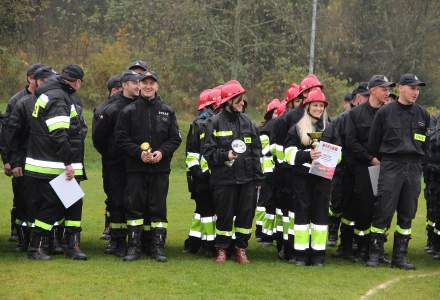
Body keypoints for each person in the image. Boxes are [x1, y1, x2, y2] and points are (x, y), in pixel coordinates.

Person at [115, 71, 182, 262]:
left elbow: (175, 138)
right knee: (134, 208)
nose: (148, 86)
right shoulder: (128, 111)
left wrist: (161, 152)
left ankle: (157, 247)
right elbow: (121, 138)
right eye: (144, 83)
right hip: (136, 168)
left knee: (158, 209)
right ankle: (134, 247)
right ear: (139, 86)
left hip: (160, 169)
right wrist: (139, 153)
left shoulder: (167, 111)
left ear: (157, 86)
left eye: (152, 83)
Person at [24, 64, 87, 260]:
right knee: (52, 205)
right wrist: (68, 162)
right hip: (53, 163)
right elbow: (59, 133)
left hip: (47, 160)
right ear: (76, 82)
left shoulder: (52, 93)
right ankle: (37, 247)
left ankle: (69, 245)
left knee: (72, 202)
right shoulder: (59, 98)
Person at [367, 74, 429, 270]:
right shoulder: (385, 113)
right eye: (412, 88)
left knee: (407, 212)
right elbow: (373, 143)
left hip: (413, 167)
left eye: (418, 89)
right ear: (400, 88)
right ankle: (375, 253)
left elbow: (425, 144)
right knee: (383, 209)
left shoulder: (422, 114)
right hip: (391, 165)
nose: (415, 92)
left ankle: (400, 256)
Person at [203, 80, 263, 264]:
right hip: (224, 180)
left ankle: (241, 249)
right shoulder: (213, 123)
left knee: (246, 216)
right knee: (224, 216)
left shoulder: (249, 123)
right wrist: (225, 155)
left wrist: (257, 179)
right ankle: (222, 249)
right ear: (227, 100)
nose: (242, 103)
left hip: (247, 180)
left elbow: (255, 152)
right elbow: (208, 152)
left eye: (242, 99)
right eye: (238, 99)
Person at [3, 66, 57, 253]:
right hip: (27, 161)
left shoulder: (57, 100)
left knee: (57, 201)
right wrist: (12, 161)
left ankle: (52, 241)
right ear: (33, 80)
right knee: (26, 202)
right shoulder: (21, 102)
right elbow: (11, 135)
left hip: (53, 162)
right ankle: (25, 241)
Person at [92, 71, 143, 256]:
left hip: (137, 163)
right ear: (124, 85)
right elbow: (99, 138)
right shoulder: (110, 108)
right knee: (116, 201)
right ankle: (117, 240)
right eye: (134, 82)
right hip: (115, 164)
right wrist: (112, 154)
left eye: (140, 82)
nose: (138, 86)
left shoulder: (142, 105)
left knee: (135, 201)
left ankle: (136, 241)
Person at [284, 89, 330, 266]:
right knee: (302, 217)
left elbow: (340, 153)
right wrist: (307, 155)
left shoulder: (330, 128)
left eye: (321, 105)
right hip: (302, 180)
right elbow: (287, 155)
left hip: (323, 178)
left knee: (320, 217)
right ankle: (300, 255)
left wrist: (330, 156)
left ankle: (318, 255)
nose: (318, 108)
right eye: (315, 105)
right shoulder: (296, 129)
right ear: (307, 106)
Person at [2, 63, 44, 243]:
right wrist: (9, 160)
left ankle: (37, 236)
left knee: (39, 198)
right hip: (21, 156)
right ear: (30, 78)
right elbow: (8, 134)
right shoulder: (17, 101)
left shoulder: (47, 98)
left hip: (40, 158)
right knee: (20, 196)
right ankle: (18, 232)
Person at [183, 88, 220, 255]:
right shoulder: (201, 125)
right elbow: (193, 154)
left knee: (201, 211)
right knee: (207, 211)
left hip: (201, 176)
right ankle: (209, 245)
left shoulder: (199, 123)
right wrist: (200, 173)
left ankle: (193, 242)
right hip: (204, 177)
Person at [255, 98, 282, 245]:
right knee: (269, 203)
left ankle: (262, 231)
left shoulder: (263, 128)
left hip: (265, 171)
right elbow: (266, 151)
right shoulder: (269, 129)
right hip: (270, 170)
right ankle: (266, 233)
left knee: (264, 202)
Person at [100, 74, 122, 241]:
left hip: (128, 161)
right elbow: (98, 138)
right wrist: (110, 153)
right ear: (115, 90)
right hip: (112, 161)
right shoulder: (104, 110)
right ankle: (111, 229)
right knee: (113, 197)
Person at [424, 112, 440, 258]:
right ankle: (434, 243)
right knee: (434, 210)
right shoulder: (433, 120)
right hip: (434, 173)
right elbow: (429, 144)